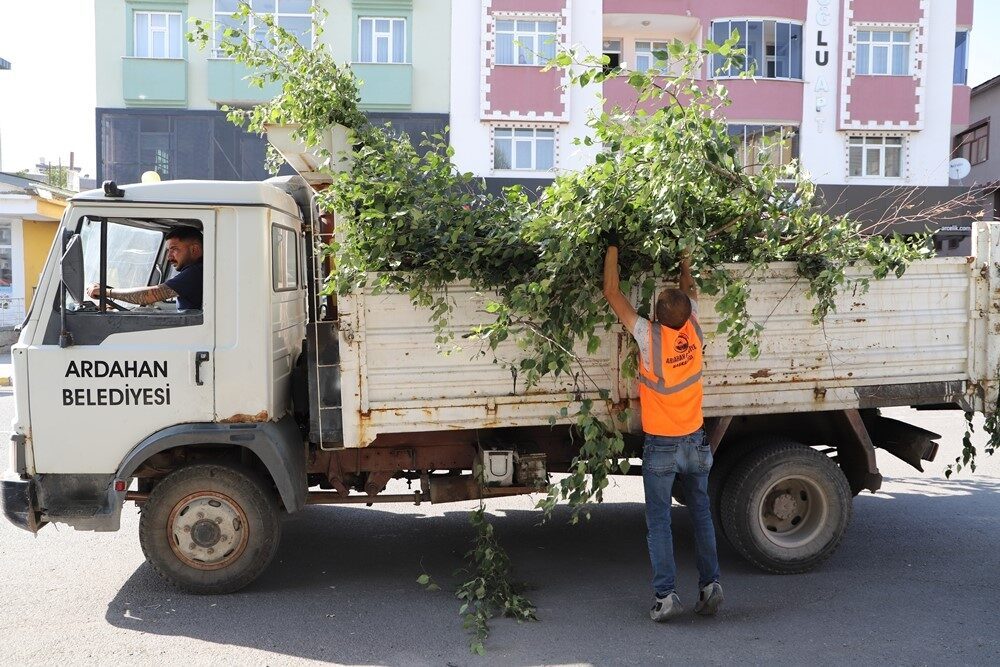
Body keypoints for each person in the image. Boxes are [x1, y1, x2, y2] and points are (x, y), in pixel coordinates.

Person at [602, 244, 723, 622]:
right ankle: (711, 586)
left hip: (662, 447)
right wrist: (686, 257)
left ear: (655, 316)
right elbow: (689, 289)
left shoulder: (649, 339)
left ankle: (666, 596)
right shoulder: (695, 328)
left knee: (659, 522)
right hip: (696, 441)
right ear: (687, 313)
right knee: (701, 514)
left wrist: (611, 250)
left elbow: (612, 293)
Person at [87, 227, 203, 310]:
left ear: (194, 249)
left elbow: (150, 295)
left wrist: (106, 292)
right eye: (168, 251)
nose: (169, 257)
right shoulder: (197, 270)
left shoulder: (195, 272)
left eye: (174, 249)